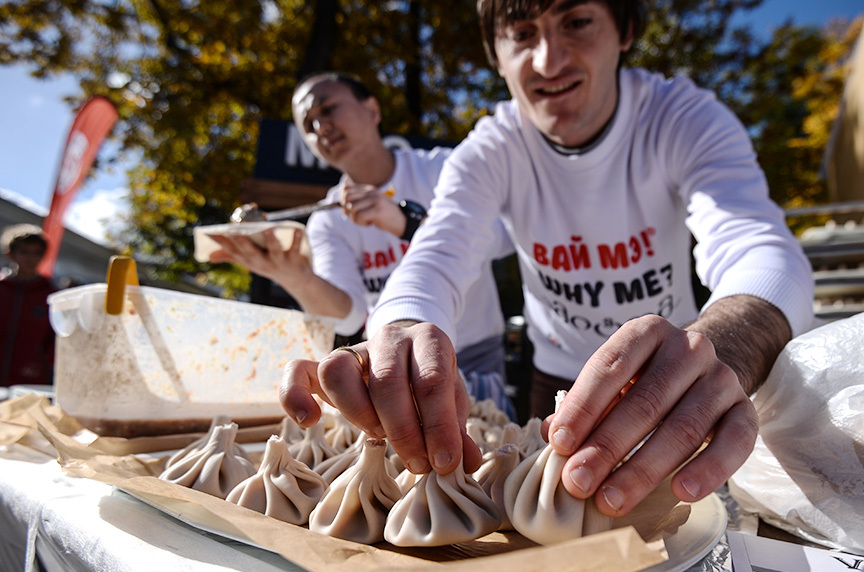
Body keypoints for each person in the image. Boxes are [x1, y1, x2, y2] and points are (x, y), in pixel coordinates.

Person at [279, 0, 815, 519]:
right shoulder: (492, 148)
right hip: (553, 381)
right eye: (522, 34)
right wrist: (399, 325)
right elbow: (441, 247)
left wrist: (720, 351)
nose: (548, 61)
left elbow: (762, 251)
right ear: (496, 54)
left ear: (624, 29)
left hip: (672, 383)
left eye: (576, 21)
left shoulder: (683, 118)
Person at [209, 72, 516, 417]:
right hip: (393, 359)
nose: (320, 127)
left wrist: (405, 223)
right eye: (308, 124)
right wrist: (295, 276)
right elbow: (348, 314)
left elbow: (501, 240)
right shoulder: (327, 219)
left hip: (474, 351)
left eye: (328, 109)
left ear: (372, 110)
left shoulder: (442, 169)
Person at [0, 224, 58, 388]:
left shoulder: (50, 294)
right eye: (24, 251)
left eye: (36, 253)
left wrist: (43, 364)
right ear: (11, 253)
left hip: (30, 380)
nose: (30, 258)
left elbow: (55, 337)